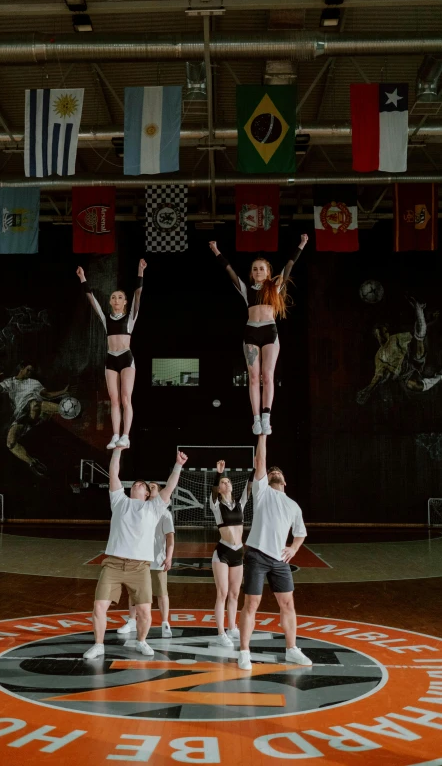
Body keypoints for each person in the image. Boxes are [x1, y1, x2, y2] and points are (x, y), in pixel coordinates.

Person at [84, 450, 187, 660]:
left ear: (148, 493)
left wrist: (178, 465)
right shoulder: (119, 501)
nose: (138, 484)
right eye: (136, 483)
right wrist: (117, 451)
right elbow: (113, 474)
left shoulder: (154, 508)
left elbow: (169, 487)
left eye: (142, 485)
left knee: (145, 612)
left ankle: (141, 641)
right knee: (99, 606)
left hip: (140, 567)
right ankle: (98, 645)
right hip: (113, 564)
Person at [209, 236, 308, 436]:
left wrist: (301, 245)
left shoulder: (275, 286)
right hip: (251, 332)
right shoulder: (246, 289)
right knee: (253, 378)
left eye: (261, 268)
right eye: (255, 269)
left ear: (268, 272)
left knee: (267, 375)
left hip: (269, 331)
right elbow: (229, 271)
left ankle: (266, 416)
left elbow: (289, 265)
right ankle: (255, 419)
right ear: (251, 273)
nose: (258, 271)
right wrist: (216, 250)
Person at [238, 434, 312, 670]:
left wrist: (294, 548)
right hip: (257, 555)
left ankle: (291, 649)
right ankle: (244, 652)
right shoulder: (262, 493)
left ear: (285, 481)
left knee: (288, 604)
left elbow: (300, 533)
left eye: (278, 472)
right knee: (252, 604)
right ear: (266, 479)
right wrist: (263, 434)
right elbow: (261, 461)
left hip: (279, 560)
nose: (275, 472)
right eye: (271, 472)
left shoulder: (293, 505)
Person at [76, 259, 147, 450]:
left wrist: (140, 271)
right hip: (111, 359)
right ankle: (115, 435)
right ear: (110, 301)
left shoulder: (130, 317)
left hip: (126, 358)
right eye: (113, 297)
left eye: (120, 297)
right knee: (114, 400)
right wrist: (83, 278)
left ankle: (126, 435)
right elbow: (91, 299)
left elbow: (138, 293)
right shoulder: (106, 318)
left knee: (125, 398)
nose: (116, 300)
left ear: (124, 302)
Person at [357, 296, 442, 405]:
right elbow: (378, 376)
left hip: (411, 361)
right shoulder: (379, 356)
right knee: (414, 385)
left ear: (387, 333)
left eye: (384, 332)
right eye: (379, 334)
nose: (383, 336)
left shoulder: (396, 339)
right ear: (376, 336)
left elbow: (415, 333)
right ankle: (440, 377)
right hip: (404, 374)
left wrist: (423, 317)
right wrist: (368, 390)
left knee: (419, 350)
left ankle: (419, 309)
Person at [117, 482, 175, 639]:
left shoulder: (165, 514)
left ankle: (164, 623)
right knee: (134, 592)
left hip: (157, 560)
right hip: (139, 559)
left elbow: (170, 538)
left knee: (161, 593)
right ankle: (131, 621)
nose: (150, 487)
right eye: (149, 486)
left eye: (154, 486)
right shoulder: (138, 510)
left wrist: (169, 556)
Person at [0, 362, 70, 477]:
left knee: (35, 404)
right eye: (28, 370)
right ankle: (32, 462)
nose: (30, 373)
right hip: (22, 415)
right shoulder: (10, 382)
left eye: (31, 371)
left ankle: (67, 411)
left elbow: (47, 394)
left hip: (37, 408)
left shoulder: (33, 383)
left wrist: (62, 392)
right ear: (21, 368)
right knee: (10, 443)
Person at [209, 460, 251, 648]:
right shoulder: (216, 505)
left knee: (235, 593)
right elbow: (213, 490)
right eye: (222, 482)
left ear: (232, 486)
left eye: (228, 481)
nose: (225, 484)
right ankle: (220, 633)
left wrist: (256, 468)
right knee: (223, 593)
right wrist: (218, 474)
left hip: (238, 552)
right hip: (223, 552)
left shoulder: (240, 504)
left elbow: (249, 488)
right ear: (219, 488)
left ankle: (232, 627)